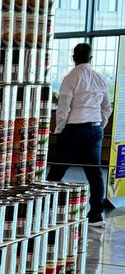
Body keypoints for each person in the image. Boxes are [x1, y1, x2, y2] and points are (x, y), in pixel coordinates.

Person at [47, 42, 112, 225]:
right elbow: (107, 107)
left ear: (73, 57)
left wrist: (59, 130)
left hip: (73, 130)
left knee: (56, 172)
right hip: (95, 129)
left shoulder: (70, 78)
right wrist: (98, 125)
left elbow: (63, 108)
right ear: (91, 58)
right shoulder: (100, 79)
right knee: (95, 175)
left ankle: (47, 209)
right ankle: (96, 215)